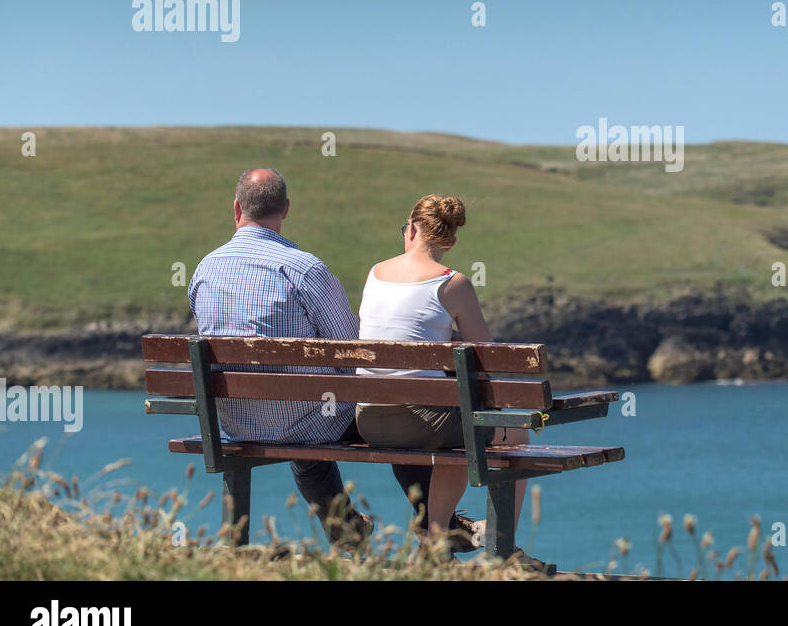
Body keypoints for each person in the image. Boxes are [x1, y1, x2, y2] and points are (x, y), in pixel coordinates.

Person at [187, 167, 383, 545]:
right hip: (305, 419)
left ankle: (346, 533)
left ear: (236, 208)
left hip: (233, 421)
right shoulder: (303, 268)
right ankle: (434, 531)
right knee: (376, 415)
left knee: (306, 411)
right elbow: (351, 348)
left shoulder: (204, 269)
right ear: (286, 209)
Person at [355, 194, 536, 562]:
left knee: (460, 427)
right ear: (450, 239)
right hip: (418, 421)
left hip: (368, 418)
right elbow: (487, 356)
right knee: (512, 433)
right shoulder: (452, 284)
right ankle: (498, 548)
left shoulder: (375, 273)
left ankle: (435, 546)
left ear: (412, 229)